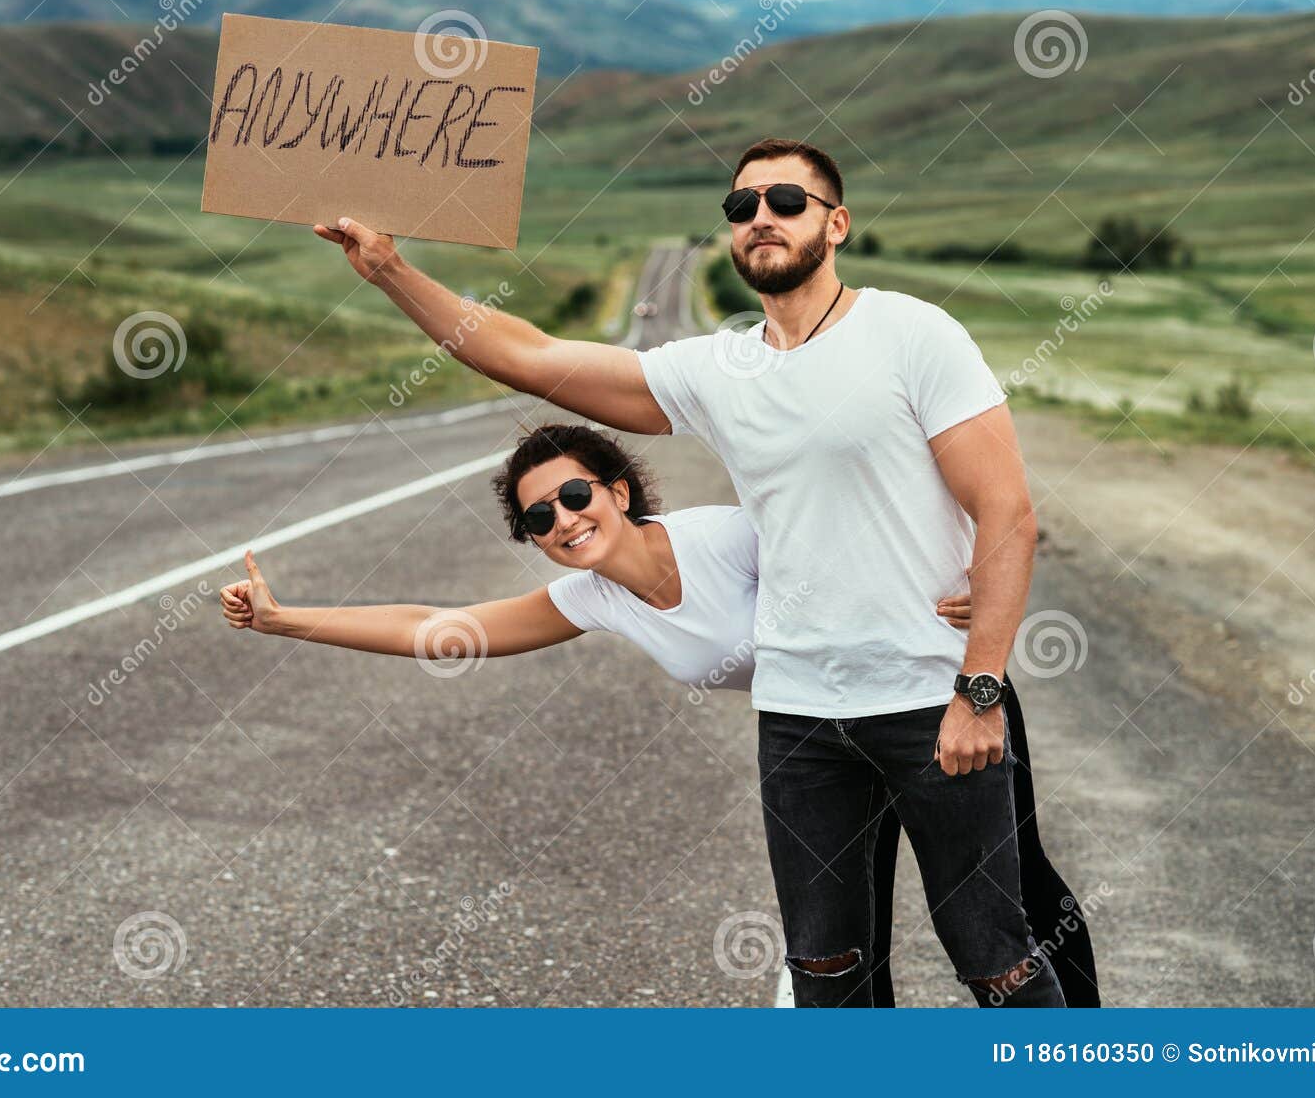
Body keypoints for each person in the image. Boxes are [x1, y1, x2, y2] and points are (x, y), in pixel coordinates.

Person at [307, 135, 1076, 1007]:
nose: (760, 218)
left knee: (994, 960)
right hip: (799, 719)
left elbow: (1008, 512)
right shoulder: (719, 368)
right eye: (740, 207)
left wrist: (980, 684)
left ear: (838, 222)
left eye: (786, 201)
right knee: (826, 972)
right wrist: (390, 270)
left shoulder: (911, 333)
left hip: (924, 695)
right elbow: (525, 356)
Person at [221, 423, 1099, 1006]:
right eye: (538, 517)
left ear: (617, 490)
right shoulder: (596, 597)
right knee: (837, 944)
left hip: (927, 702)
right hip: (818, 738)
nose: (562, 520)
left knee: (1007, 905)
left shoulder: (725, 537)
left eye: (574, 496)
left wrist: (968, 585)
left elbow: (866, 531)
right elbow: (440, 629)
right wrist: (285, 619)